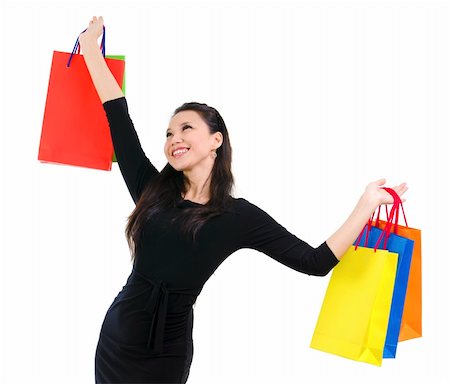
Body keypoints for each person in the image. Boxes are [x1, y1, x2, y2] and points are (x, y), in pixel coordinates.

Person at [79, 16, 408, 384]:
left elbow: (314, 262)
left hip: (166, 354)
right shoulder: (151, 190)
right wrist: (91, 47)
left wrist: (364, 206)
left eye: (187, 128)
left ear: (216, 141)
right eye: (169, 132)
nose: (174, 138)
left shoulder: (235, 216)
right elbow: (117, 116)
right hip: (116, 341)